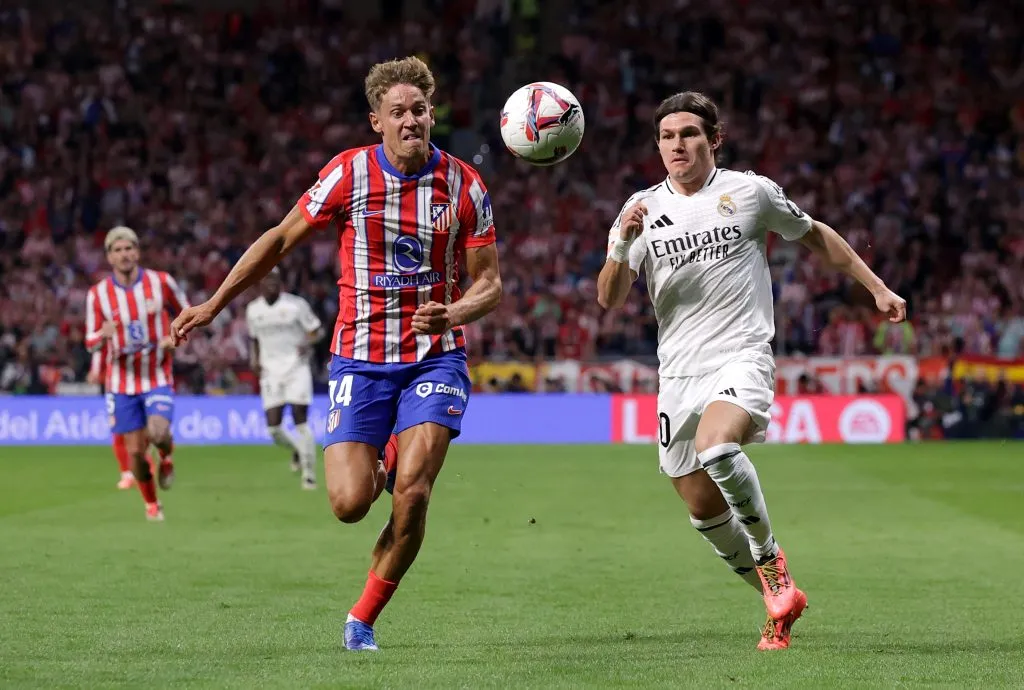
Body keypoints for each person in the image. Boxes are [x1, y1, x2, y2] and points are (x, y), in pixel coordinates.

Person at [170, 56, 502, 651]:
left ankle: (362, 618)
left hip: (436, 355)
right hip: (361, 359)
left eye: (420, 111)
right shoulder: (348, 174)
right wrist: (215, 302)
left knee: (415, 492)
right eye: (397, 112)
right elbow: (278, 239)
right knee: (350, 504)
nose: (411, 121)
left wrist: (453, 312)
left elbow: (490, 284)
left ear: (432, 115)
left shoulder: (464, 184)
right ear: (376, 120)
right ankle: (392, 449)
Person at [596, 92, 907, 650]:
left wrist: (877, 288)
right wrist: (621, 241)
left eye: (689, 134)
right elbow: (609, 298)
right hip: (679, 373)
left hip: (742, 353)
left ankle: (773, 564)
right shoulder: (640, 208)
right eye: (667, 137)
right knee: (699, 505)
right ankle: (776, 599)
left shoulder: (749, 192)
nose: (677, 146)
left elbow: (814, 234)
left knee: (718, 448)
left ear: (713, 139)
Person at [85, 226, 190, 521]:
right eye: (117, 250)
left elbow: (188, 313)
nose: (124, 254)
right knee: (135, 457)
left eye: (129, 248)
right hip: (121, 383)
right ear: (109, 257)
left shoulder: (161, 282)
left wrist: (176, 337)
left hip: (156, 375)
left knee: (157, 432)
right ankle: (152, 505)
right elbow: (89, 341)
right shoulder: (98, 295)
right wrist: (101, 335)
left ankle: (167, 457)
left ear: (137, 251)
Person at [245, 267, 325, 489]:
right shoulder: (253, 310)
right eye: (267, 279)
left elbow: (317, 331)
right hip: (270, 371)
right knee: (274, 429)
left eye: (275, 279)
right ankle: (298, 451)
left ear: (281, 282)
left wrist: (307, 343)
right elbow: (253, 338)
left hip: (296, 368)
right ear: (260, 284)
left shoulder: (296, 305)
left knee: (301, 420)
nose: (271, 283)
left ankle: (309, 475)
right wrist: (254, 359)